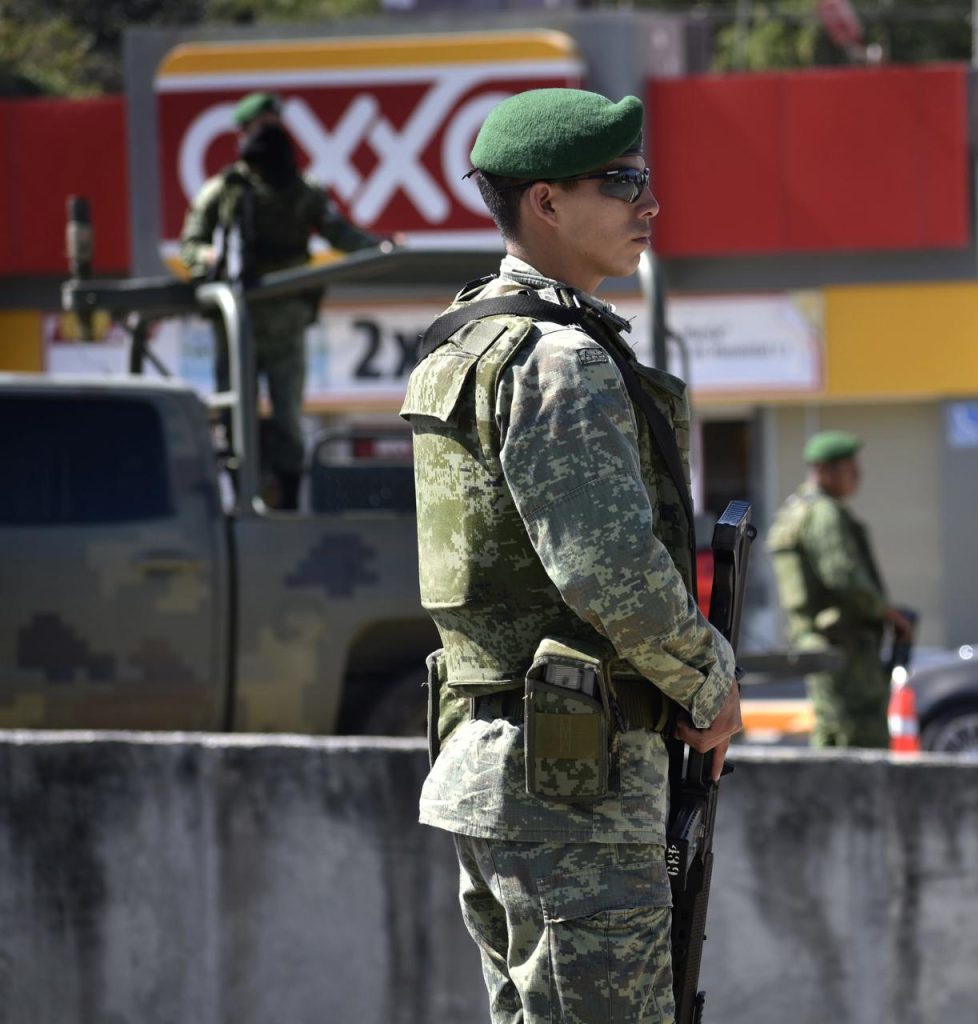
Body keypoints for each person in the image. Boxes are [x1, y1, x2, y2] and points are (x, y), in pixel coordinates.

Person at [399, 88, 742, 1024]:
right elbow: (604, 568)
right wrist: (710, 682)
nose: (649, 205)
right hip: (572, 788)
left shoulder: (464, 338)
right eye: (623, 181)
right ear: (545, 203)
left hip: (503, 767)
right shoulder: (560, 358)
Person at [179, 91, 385, 509]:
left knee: (288, 415)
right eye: (262, 128)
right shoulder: (226, 189)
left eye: (276, 127)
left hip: (286, 318)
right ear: (244, 133)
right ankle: (242, 499)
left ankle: (288, 503)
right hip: (239, 319)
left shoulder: (302, 189)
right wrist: (210, 257)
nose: (270, 137)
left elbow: (339, 233)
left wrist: (380, 247)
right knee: (237, 415)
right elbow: (192, 242)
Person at [768, 430, 913, 748]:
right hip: (846, 645)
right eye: (851, 468)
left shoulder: (799, 509)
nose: (858, 476)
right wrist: (889, 614)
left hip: (827, 644)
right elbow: (844, 578)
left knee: (835, 726)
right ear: (824, 471)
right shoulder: (825, 514)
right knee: (857, 734)